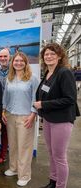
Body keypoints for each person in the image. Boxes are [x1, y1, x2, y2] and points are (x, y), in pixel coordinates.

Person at [33, 43, 80, 188]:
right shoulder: (48, 73)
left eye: (52, 54)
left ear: (59, 56)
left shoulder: (64, 72)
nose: (48, 56)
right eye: (46, 54)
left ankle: (61, 185)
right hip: (48, 119)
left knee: (59, 157)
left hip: (62, 120)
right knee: (52, 153)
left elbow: (70, 99)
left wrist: (43, 105)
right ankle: (53, 182)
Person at [2, 52, 38, 187]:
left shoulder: (32, 78)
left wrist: (33, 114)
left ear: (25, 63)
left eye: (21, 61)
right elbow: (5, 95)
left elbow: (36, 97)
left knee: (24, 147)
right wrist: (3, 110)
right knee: (13, 144)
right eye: (16, 61)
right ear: (12, 63)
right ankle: (14, 168)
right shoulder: (9, 78)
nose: (18, 63)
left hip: (25, 116)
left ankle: (24, 175)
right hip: (10, 115)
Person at [0, 49, 10, 165]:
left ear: (9, 57)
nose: (3, 58)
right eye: (1, 56)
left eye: (5, 56)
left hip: (10, 107)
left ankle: (3, 155)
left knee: (6, 132)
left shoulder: (14, 71)